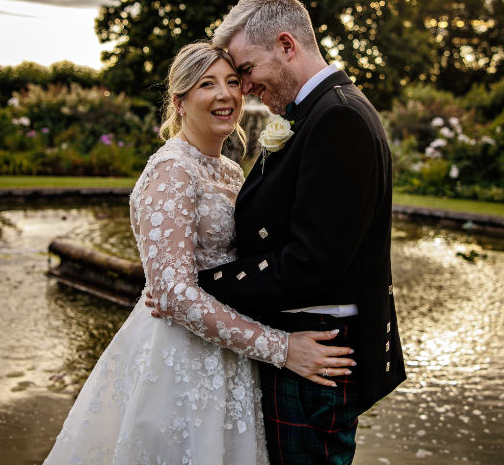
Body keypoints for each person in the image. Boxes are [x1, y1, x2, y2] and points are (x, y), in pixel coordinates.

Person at [42, 42, 354, 465]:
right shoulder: (172, 170)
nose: (225, 94)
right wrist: (281, 348)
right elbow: (172, 294)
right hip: (180, 361)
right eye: (208, 84)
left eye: (232, 81)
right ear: (179, 101)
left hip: (230, 354)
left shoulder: (229, 170)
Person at [193, 0, 406, 464]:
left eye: (247, 70)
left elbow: (312, 263)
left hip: (317, 346)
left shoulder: (338, 117)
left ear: (286, 45)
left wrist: (204, 286)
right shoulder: (320, 111)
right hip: (305, 338)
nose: (245, 87)